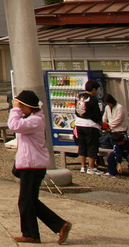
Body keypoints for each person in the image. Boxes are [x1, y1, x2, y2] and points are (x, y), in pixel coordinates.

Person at [9, 89, 72, 244]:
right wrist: (19, 109)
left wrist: (15, 109)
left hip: (32, 165)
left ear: (31, 107)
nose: (21, 109)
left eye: (23, 106)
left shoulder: (35, 120)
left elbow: (13, 125)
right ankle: (59, 225)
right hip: (32, 164)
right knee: (30, 201)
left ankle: (31, 234)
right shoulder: (33, 118)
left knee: (25, 201)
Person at [74, 79, 103, 174]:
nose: (97, 91)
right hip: (90, 125)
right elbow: (96, 113)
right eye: (96, 89)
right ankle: (91, 167)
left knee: (82, 145)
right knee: (92, 145)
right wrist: (100, 122)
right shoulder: (92, 99)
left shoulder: (79, 97)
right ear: (93, 89)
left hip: (78, 124)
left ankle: (83, 167)